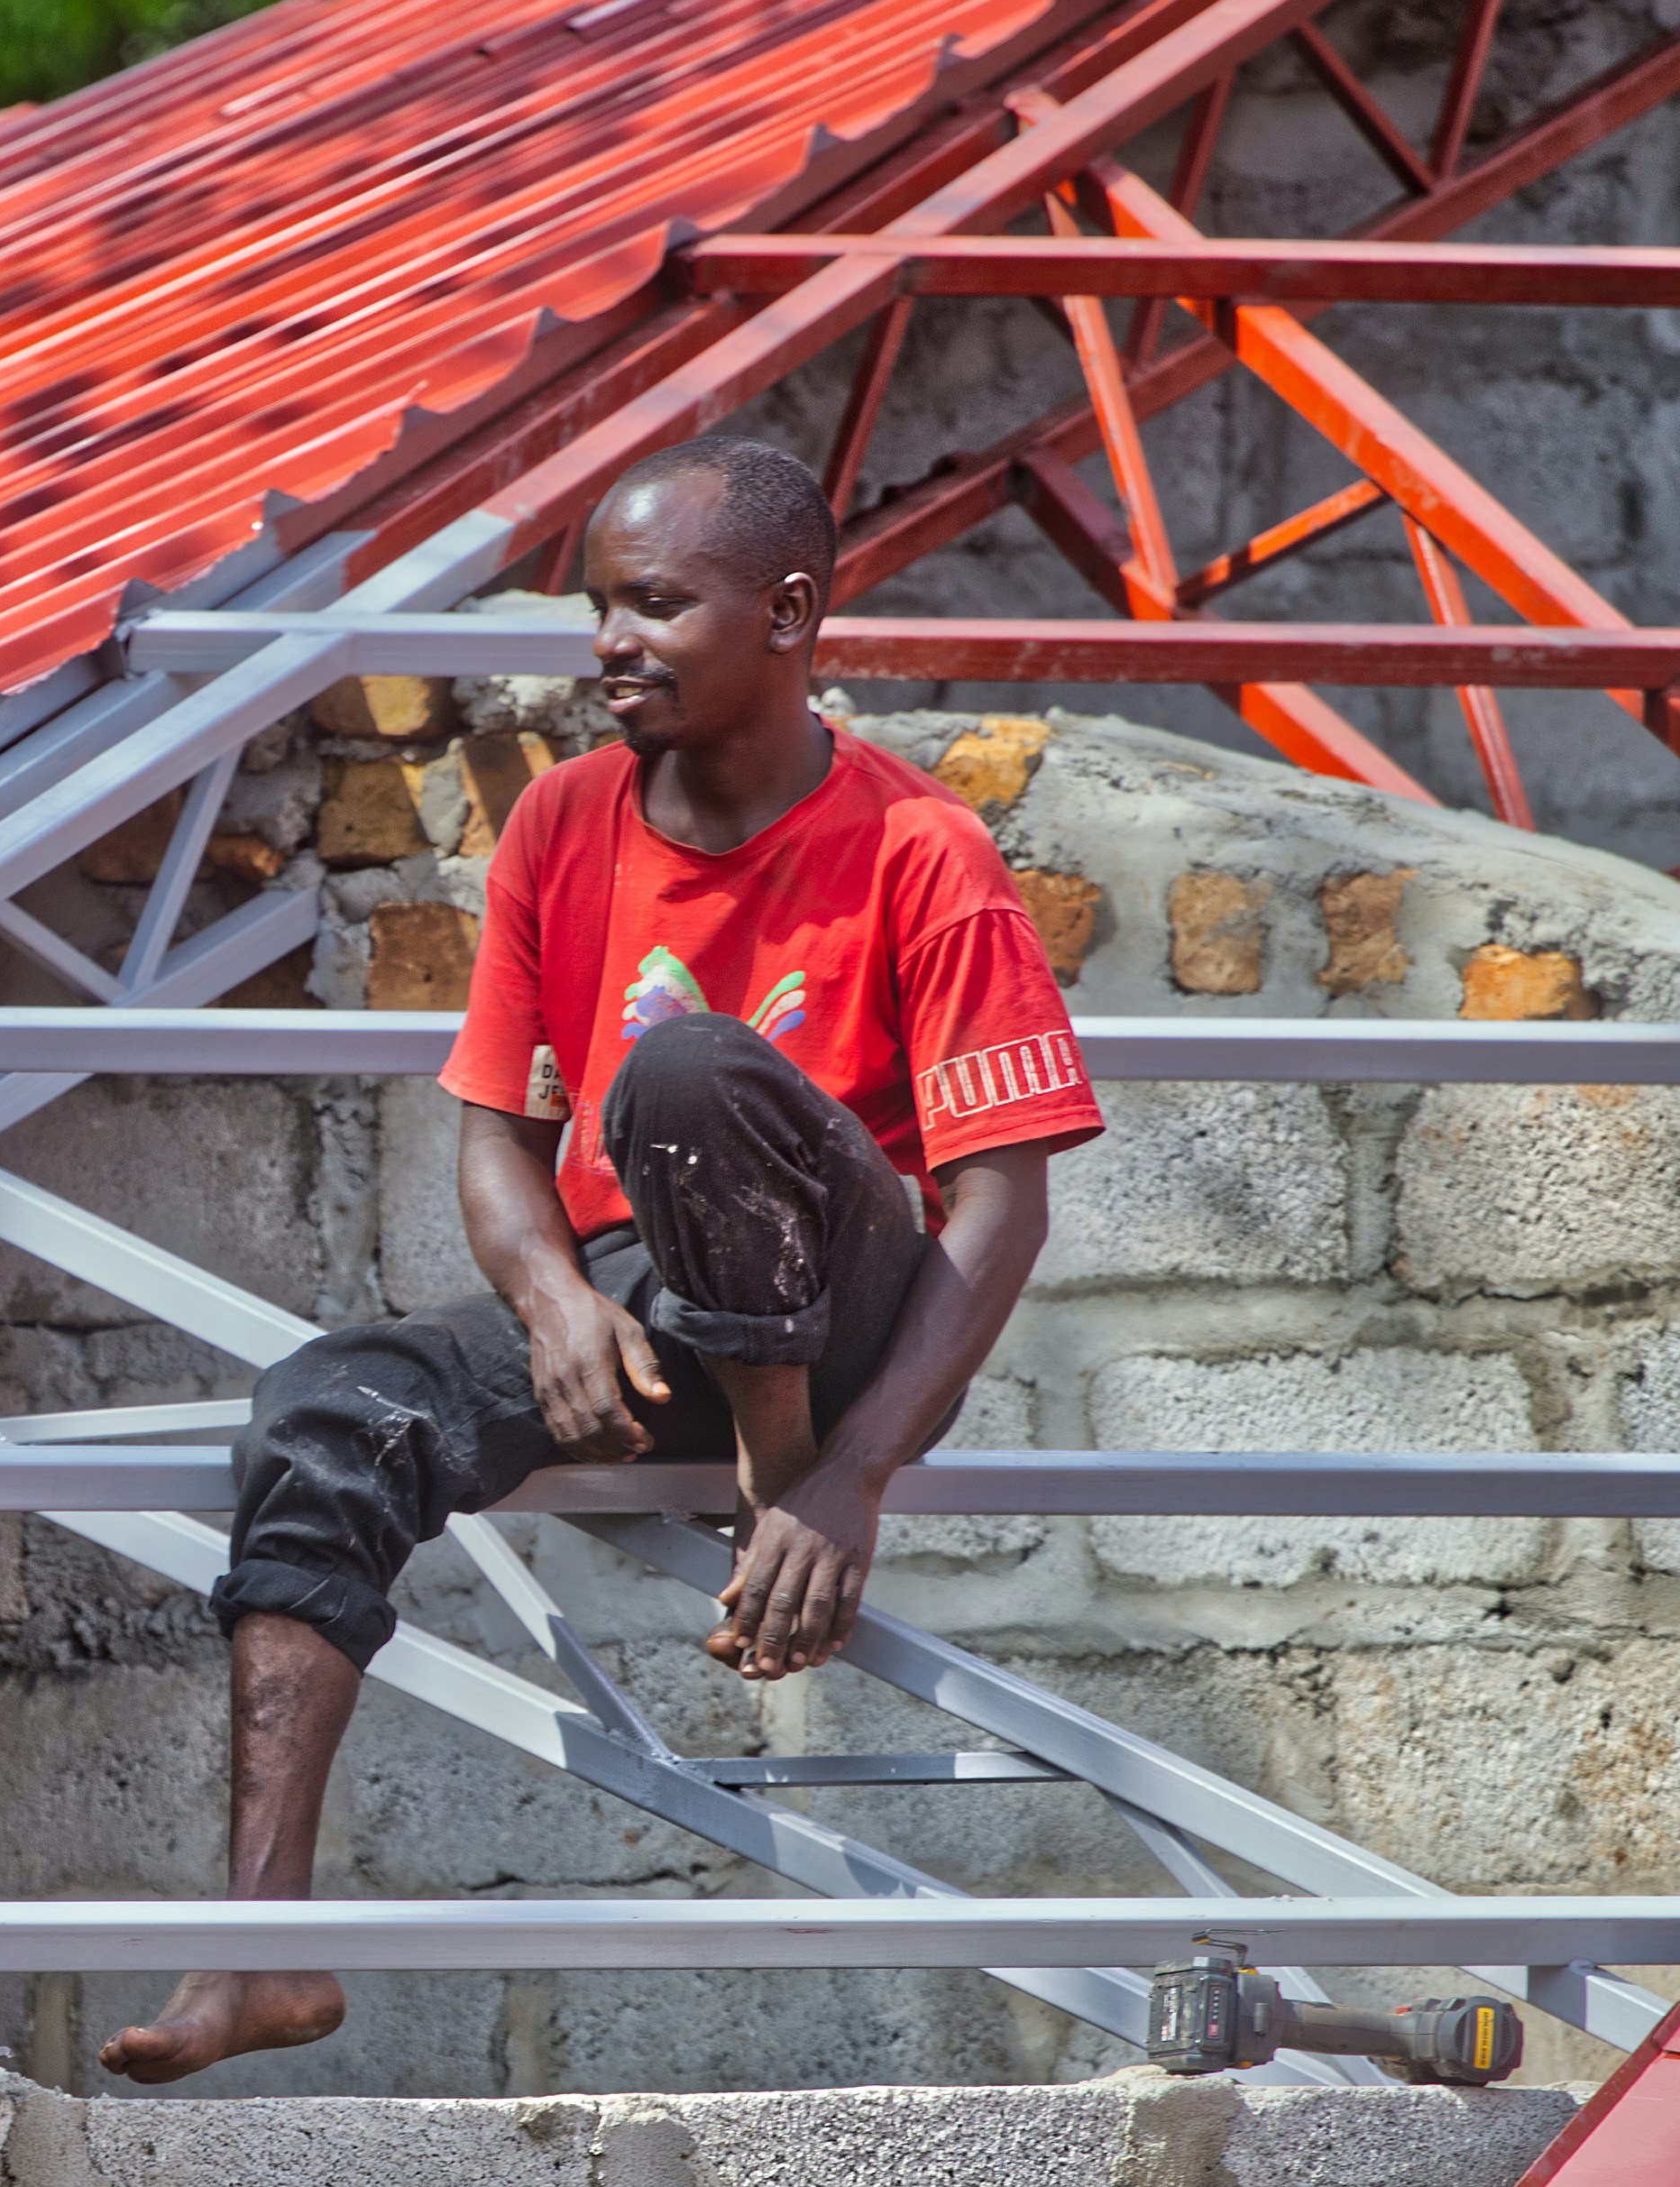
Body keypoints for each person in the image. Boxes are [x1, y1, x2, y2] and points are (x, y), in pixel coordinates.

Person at [105, 436, 1101, 2085]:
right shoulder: (564, 821)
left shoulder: (925, 853)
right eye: (598, 609)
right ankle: (258, 1951)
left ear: (787, 614)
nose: (608, 645)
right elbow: (492, 1131)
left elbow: (1000, 1208)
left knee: (687, 1071)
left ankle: (770, 1484)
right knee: (324, 1412)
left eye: (654, 606)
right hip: (645, 1304)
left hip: (840, 1313)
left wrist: (851, 1473)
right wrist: (554, 1299)